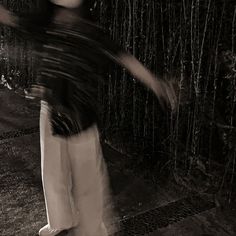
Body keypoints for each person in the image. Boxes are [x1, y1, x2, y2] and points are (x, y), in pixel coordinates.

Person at [0, 1, 177, 236]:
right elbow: (11, 18)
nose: (66, 12)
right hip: (52, 108)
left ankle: (93, 230)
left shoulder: (91, 32)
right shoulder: (44, 24)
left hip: (80, 114)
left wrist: (155, 83)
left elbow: (123, 57)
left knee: (88, 180)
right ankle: (61, 220)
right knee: (52, 171)